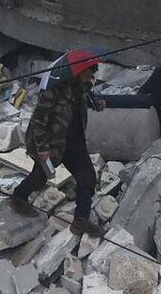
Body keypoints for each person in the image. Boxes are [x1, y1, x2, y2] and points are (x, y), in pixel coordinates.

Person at [12, 50, 105, 236]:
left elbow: (88, 100)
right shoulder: (54, 90)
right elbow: (39, 120)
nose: (92, 77)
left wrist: (98, 104)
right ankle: (18, 198)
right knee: (39, 179)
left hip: (73, 143)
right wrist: (43, 148)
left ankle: (80, 220)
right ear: (78, 72)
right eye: (89, 72)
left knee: (87, 177)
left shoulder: (83, 87)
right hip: (51, 143)